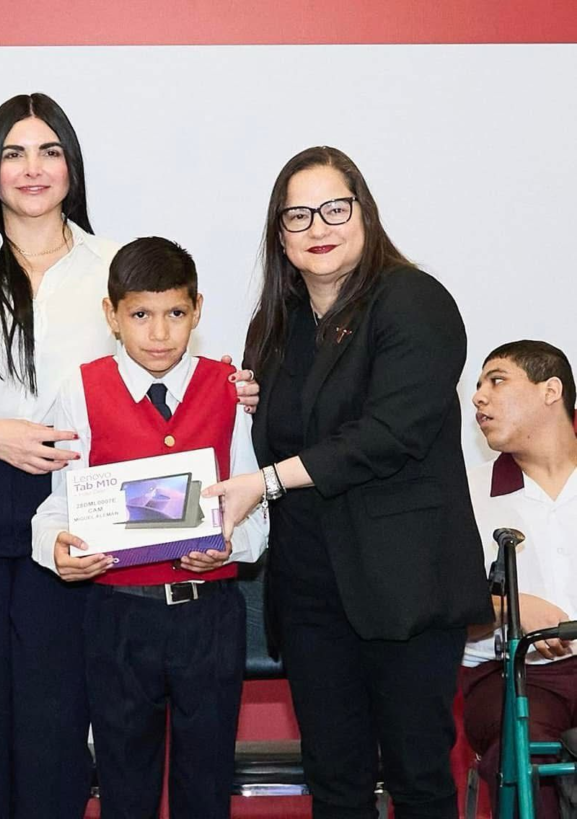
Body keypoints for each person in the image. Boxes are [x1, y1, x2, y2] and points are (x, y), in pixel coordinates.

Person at [0, 94, 258, 818]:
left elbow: (160, 365)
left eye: (50, 151)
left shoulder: (109, 266)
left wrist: (233, 388)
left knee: (56, 723)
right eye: (14, 153)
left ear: (72, 165)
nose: (32, 168)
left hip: (82, 518)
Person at [205, 145, 492, 819]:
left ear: (364, 212)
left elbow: (389, 433)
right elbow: (289, 431)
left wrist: (267, 480)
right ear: (280, 235)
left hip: (402, 587)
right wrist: (246, 402)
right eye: (298, 215)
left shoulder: (413, 301)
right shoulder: (275, 326)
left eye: (335, 208)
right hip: (310, 589)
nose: (318, 227)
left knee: (419, 778)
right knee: (334, 783)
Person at [31, 237, 268, 819]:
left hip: (208, 616)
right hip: (118, 618)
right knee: (125, 783)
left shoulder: (230, 389)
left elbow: (255, 506)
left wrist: (230, 543)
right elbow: (57, 506)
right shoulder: (81, 388)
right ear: (111, 315)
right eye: (140, 315)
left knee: (205, 783)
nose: (159, 333)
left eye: (175, 313)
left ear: (198, 310)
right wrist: (55, 547)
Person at [462, 340, 577, 819]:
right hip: (513, 675)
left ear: (551, 391)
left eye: (497, 380)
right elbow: (435, 603)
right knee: (526, 751)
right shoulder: (465, 493)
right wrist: (510, 608)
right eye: (478, 386)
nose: (478, 397)